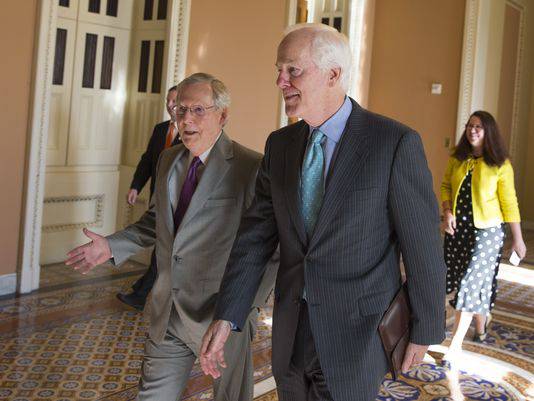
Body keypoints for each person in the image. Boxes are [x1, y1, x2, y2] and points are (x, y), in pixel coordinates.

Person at [200, 23, 446, 401]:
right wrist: (227, 314)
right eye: (278, 71)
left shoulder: (393, 143)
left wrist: (426, 327)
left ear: (333, 75)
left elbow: (423, 246)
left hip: (358, 336)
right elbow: (254, 239)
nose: (280, 81)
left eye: (292, 70)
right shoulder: (280, 145)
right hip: (290, 332)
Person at [66, 73, 277, 401]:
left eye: (197, 110)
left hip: (221, 317)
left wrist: (244, 311)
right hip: (168, 313)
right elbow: (156, 223)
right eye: (180, 110)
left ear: (222, 115)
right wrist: (111, 245)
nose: (186, 119)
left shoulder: (251, 167)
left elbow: (270, 246)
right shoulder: (167, 160)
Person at [441, 110, 526, 354]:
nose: (472, 130)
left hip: (488, 233)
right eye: (469, 126)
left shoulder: (501, 165)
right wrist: (447, 212)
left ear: (488, 131)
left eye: (478, 126)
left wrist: (518, 239)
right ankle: (481, 327)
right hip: (458, 231)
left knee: (470, 282)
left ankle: (455, 344)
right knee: (463, 280)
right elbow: (446, 185)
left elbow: (509, 203)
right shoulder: (457, 159)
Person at [117, 85, 182, 311]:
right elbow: (147, 161)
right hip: (157, 197)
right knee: (161, 248)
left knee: (162, 249)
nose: (170, 106)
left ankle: (141, 291)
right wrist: (136, 186)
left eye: (175, 101)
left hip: (176, 202)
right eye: (168, 101)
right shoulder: (160, 129)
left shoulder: (190, 132)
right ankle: (142, 290)